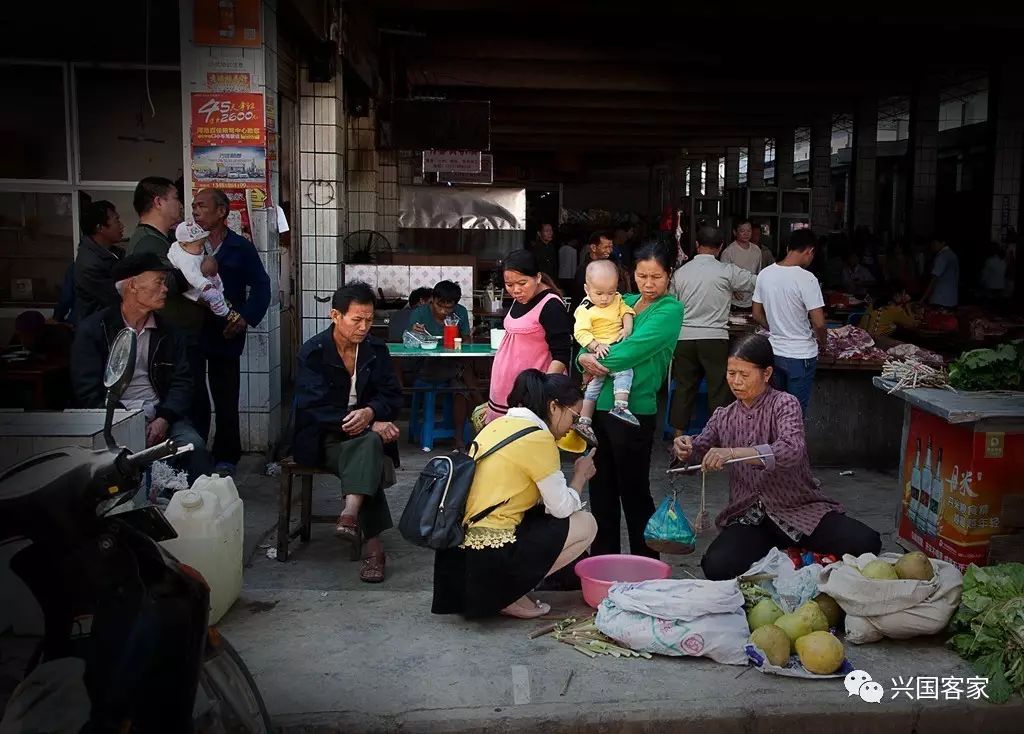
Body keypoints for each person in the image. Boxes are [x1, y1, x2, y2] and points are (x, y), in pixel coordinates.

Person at [673, 335, 881, 580]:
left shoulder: (785, 404)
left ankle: (793, 554)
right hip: (750, 516)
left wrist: (732, 453)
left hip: (797, 508)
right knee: (716, 565)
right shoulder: (723, 416)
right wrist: (685, 449)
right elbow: (698, 450)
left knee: (867, 541)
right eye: (731, 373)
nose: (736, 382)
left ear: (767, 373)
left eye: (745, 374)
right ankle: (786, 555)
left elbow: (791, 449)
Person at [432, 369, 598, 619]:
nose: (573, 428)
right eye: (574, 417)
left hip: (460, 552)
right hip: (491, 553)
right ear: (554, 407)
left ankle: (506, 590)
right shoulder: (538, 438)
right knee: (585, 523)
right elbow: (562, 508)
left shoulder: (499, 425)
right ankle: (508, 593)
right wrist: (580, 476)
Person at [577, 241, 684, 558]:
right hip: (597, 408)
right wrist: (582, 356)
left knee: (635, 493)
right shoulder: (624, 302)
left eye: (657, 277)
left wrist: (588, 362)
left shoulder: (669, 310)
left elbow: (631, 350)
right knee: (601, 492)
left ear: (669, 275)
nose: (649, 284)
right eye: (642, 276)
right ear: (631, 274)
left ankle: (645, 567)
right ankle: (603, 563)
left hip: (633, 411)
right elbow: (586, 335)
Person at [70, 253, 214, 484]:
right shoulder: (95, 330)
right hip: (113, 422)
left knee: (193, 447)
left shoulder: (169, 331)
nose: (166, 289)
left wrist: (163, 419)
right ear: (133, 285)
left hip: (162, 418)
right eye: (159, 281)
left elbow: (183, 381)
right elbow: (88, 391)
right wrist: (126, 423)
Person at [293, 282, 403, 583]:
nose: (364, 327)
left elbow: (393, 397)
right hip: (323, 437)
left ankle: (351, 513)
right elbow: (313, 406)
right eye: (357, 319)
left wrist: (371, 412)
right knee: (370, 449)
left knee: (367, 445)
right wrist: (368, 423)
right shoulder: (313, 352)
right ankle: (373, 547)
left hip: (362, 436)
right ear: (335, 315)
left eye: (369, 319)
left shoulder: (375, 350)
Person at [192, 188, 272, 475]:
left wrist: (245, 318)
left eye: (202, 206)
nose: (196, 211)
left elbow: (263, 286)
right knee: (193, 394)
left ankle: (227, 455)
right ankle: (194, 455)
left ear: (222, 211)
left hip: (226, 331)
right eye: (193, 207)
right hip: (192, 330)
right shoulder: (185, 245)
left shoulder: (240, 247)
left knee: (226, 396)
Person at [669, 224, 757, 433]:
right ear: (720, 247)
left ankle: (678, 440)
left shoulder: (681, 273)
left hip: (684, 338)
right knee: (718, 389)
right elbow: (756, 282)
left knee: (684, 388)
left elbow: (671, 307)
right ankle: (717, 438)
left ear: (697, 245)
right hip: (715, 338)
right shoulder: (727, 271)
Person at [486, 250, 572, 423]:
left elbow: (561, 355)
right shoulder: (521, 298)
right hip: (504, 389)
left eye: (522, 283)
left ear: (538, 277)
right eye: (509, 285)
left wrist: (542, 390)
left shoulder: (551, 306)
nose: (515, 290)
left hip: (531, 394)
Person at [752, 228, 826, 416]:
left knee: (775, 411)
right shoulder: (807, 278)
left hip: (774, 352)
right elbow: (818, 323)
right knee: (794, 415)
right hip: (801, 357)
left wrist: (776, 327)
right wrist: (823, 343)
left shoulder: (765, 274)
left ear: (788, 247)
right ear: (809, 251)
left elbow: (756, 314)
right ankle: (791, 446)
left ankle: (774, 446)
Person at [408, 280, 484, 450]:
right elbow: (407, 342)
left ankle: (458, 436)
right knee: (463, 375)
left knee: (460, 384)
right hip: (427, 365)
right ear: (432, 300)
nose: (443, 311)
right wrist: (414, 333)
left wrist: (462, 338)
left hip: (452, 364)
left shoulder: (460, 313)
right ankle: (482, 408)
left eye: (448, 308)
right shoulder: (420, 314)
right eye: (439, 306)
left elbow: (466, 341)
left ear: (455, 305)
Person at [572, 259, 638, 444]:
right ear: (587, 289)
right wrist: (594, 345)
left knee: (598, 384)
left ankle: (612, 409)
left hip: (614, 346)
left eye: (610, 292)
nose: (605, 298)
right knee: (614, 377)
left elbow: (627, 312)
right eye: (599, 293)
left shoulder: (617, 299)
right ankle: (589, 419)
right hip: (599, 351)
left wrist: (626, 328)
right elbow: (580, 332)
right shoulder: (585, 309)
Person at [74, 200, 126, 324]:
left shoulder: (114, 252)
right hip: (100, 330)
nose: (121, 225)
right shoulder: (89, 263)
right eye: (116, 220)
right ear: (100, 227)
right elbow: (116, 298)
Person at [169, 220, 231, 317]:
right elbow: (192, 276)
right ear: (184, 244)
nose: (202, 248)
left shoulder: (185, 247)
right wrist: (205, 285)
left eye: (203, 244)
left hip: (200, 277)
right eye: (199, 245)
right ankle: (222, 310)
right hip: (194, 287)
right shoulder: (187, 260)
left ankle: (220, 294)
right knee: (212, 295)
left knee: (216, 285)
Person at [571, 230, 628, 307]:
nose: (609, 251)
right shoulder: (584, 270)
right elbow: (579, 298)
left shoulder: (613, 265)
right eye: (606, 247)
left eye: (611, 247)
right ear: (593, 248)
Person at [721, 219, 764, 308]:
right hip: (733, 302)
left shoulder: (757, 250)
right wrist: (733, 291)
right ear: (735, 232)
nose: (746, 234)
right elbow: (723, 277)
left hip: (752, 300)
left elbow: (758, 274)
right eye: (742, 231)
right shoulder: (728, 252)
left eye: (749, 230)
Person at [921, 236, 959, 309]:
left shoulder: (942, 256)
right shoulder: (952, 255)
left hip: (940, 299)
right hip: (950, 299)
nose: (933, 246)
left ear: (942, 243)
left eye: (935, 243)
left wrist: (923, 299)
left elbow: (934, 279)